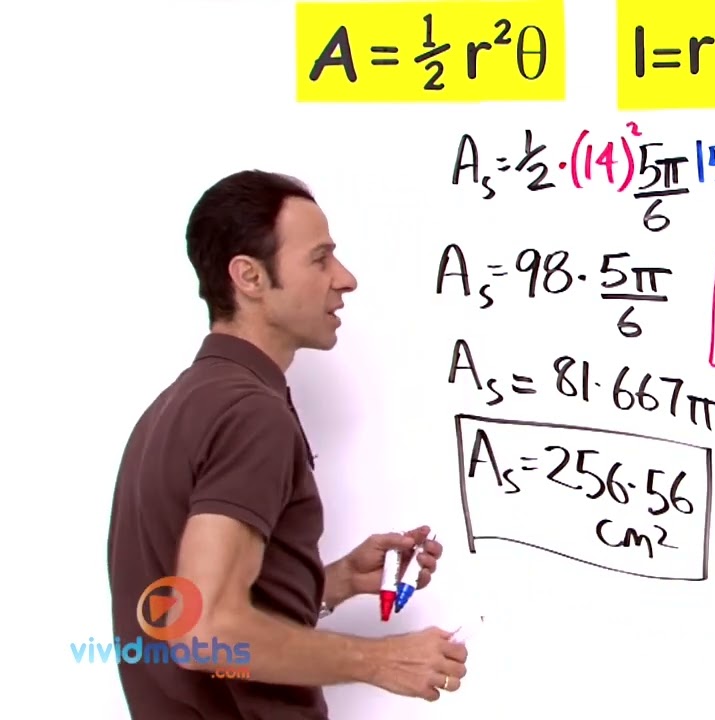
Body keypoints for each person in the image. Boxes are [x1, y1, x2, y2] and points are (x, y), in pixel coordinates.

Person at [106, 170, 468, 719]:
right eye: (320, 259)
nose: (345, 279)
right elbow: (204, 630)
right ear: (249, 277)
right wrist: (381, 660)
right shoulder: (251, 415)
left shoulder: (174, 408)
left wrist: (329, 583)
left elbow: (192, 604)